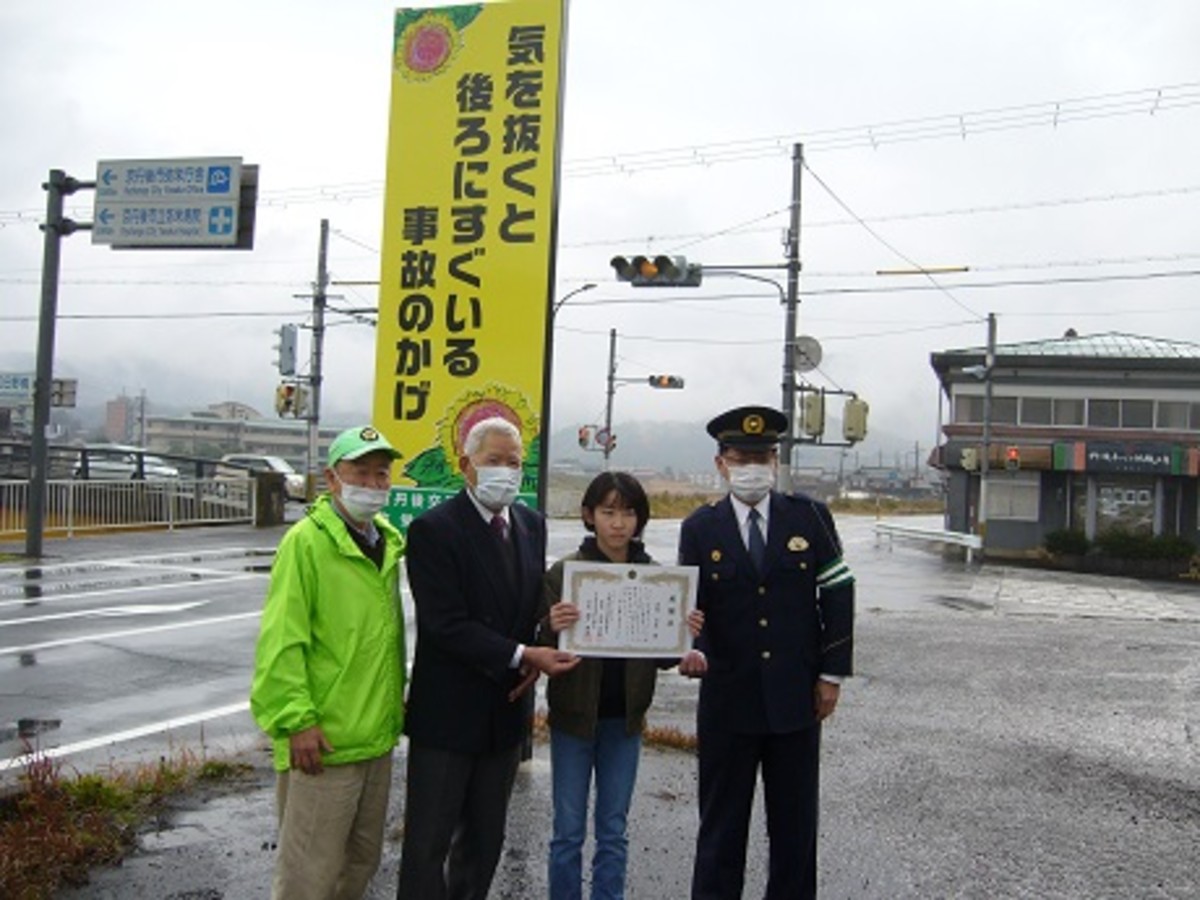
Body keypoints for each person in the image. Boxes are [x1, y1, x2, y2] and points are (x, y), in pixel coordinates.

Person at [398, 416, 580, 900]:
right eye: (493, 461)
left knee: (485, 841)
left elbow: (526, 607)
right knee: (427, 845)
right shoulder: (433, 530)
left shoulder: (530, 524)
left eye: (514, 462)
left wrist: (541, 640)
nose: (505, 471)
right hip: (448, 715)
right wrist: (523, 654)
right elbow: (445, 623)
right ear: (466, 465)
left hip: (505, 710)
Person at [680, 405, 855, 900]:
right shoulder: (700, 528)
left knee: (795, 830)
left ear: (775, 461)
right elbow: (692, 608)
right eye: (741, 457)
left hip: (795, 700)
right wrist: (693, 649)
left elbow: (838, 592)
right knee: (720, 831)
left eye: (762, 456)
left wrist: (832, 674)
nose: (751, 466)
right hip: (726, 701)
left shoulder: (810, 517)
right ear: (721, 464)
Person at [250, 425, 406, 900]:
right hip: (323, 743)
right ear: (332, 479)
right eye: (360, 472)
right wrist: (297, 721)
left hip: (375, 739)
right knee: (308, 877)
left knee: (358, 866)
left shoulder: (386, 542)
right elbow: (282, 641)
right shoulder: (307, 542)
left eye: (382, 474)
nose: (374, 484)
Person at [539, 471, 708, 900]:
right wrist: (548, 625)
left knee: (614, 829)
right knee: (567, 831)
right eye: (608, 512)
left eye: (629, 512)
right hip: (572, 721)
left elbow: (665, 656)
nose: (618, 523)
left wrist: (684, 636)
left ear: (640, 519)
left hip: (625, 723)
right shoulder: (564, 575)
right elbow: (539, 645)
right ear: (588, 515)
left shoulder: (655, 578)